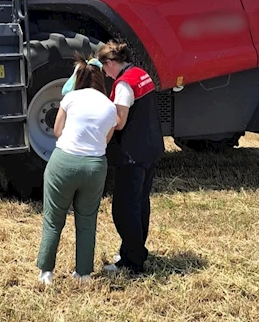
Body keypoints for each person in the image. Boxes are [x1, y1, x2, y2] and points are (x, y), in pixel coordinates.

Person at [35, 57, 118, 285]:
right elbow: (105, 140)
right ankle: (83, 274)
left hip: (63, 162)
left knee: (53, 219)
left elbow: (57, 131)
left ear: (78, 78)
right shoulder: (110, 107)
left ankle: (46, 272)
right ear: (101, 79)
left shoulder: (70, 98)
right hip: (94, 167)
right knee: (87, 220)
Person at [97, 40, 164, 276]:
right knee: (140, 203)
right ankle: (135, 251)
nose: (106, 74)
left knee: (124, 209)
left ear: (111, 62)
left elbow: (119, 121)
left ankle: (131, 262)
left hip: (131, 154)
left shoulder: (124, 84)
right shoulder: (141, 74)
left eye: (104, 68)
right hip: (150, 148)